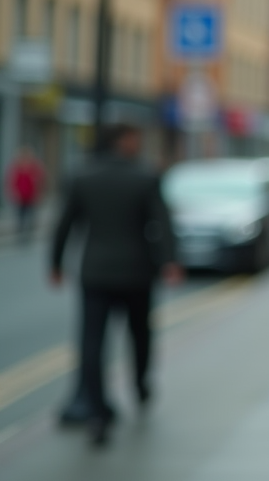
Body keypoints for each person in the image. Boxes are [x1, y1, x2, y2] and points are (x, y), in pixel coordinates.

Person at [50, 124, 181, 446]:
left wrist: (55, 264)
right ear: (123, 141)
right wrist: (170, 262)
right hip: (137, 272)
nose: (138, 143)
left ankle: (96, 413)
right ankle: (140, 386)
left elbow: (65, 224)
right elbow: (162, 223)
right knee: (139, 334)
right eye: (135, 138)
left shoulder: (84, 177)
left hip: (95, 272)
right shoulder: (145, 177)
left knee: (92, 342)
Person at [6, 146, 45, 243]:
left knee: (30, 215)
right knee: (20, 216)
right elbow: (12, 182)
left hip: (31, 197)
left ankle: (28, 234)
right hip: (20, 197)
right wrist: (14, 193)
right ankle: (21, 234)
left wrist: (39, 193)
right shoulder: (17, 168)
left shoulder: (34, 168)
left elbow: (40, 180)